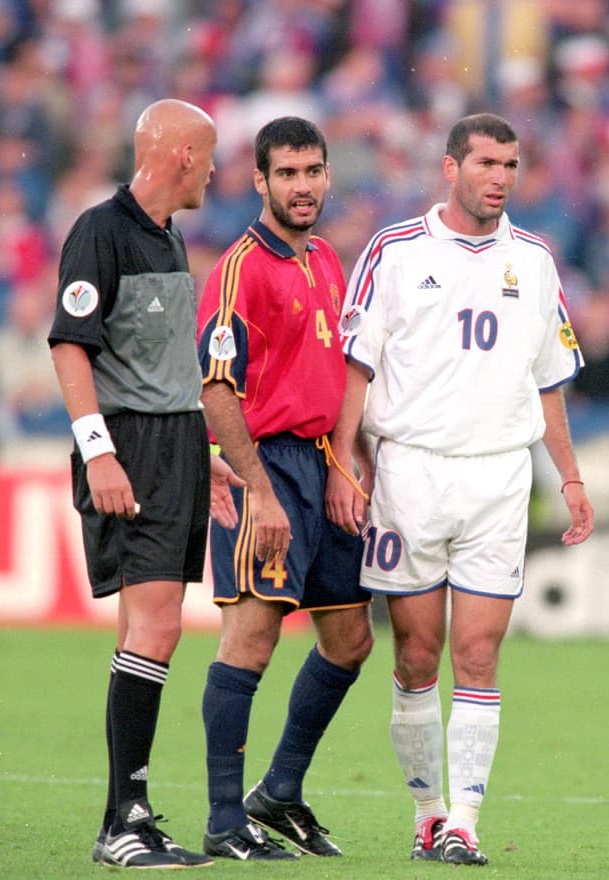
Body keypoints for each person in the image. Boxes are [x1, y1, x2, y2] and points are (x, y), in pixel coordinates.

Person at [326, 113, 595, 866]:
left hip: (499, 476)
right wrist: (345, 463)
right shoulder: (396, 251)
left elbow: (548, 382)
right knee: (417, 654)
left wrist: (570, 475)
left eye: (510, 164)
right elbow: (357, 366)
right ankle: (427, 812)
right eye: (485, 163)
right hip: (410, 471)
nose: (499, 177)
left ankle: (465, 824)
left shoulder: (535, 260)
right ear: (450, 168)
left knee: (478, 654)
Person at [48, 98, 240, 870]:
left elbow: (158, 359)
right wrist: (98, 452)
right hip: (131, 447)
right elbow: (70, 346)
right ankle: (122, 822)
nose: (215, 170)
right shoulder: (101, 231)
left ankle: (127, 819)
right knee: (155, 630)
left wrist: (201, 448)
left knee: (146, 628)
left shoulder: (169, 236)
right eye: (210, 155)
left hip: (176, 444)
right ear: (184, 155)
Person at [195, 116, 374, 861]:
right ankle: (224, 820)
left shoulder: (326, 259)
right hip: (265, 467)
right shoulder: (239, 269)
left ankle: (280, 791)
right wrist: (260, 492)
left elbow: (334, 374)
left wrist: (348, 463)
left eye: (313, 172)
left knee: (351, 638)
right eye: (288, 174)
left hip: (323, 465)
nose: (303, 187)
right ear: (260, 181)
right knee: (253, 638)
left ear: (328, 175)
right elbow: (217, 390)